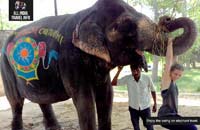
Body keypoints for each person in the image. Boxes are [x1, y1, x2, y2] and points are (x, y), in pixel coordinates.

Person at [158, 38, 197, 130]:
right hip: (166, 116)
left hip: (172, 115)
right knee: (192, 128)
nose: (177, 76)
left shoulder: (173, 83)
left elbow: (174, 59)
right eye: (175, 74)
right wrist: (170, 43)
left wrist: (177, 45)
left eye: (179, 75)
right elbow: (169, 60)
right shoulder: (166, 81)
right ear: (170, 72)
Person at [112, 64, 157, 130]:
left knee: (150, 127)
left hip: (145, 108)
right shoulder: (128, 78)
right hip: (133, 109)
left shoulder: (147, 78)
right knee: (136, 128)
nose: (135, 72)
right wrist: (119, 71)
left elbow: (153, 90)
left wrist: (155, 103)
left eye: (137, 70)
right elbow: (113, 83)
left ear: (141, 69)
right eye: (133, 70)